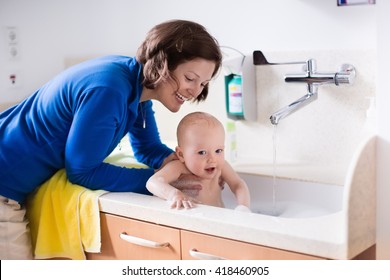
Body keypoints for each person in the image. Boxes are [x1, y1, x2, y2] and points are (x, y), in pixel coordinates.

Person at [0, 19, 222, 259]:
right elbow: (82, 171)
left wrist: (184, 166)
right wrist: (162, 184)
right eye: (190, 78)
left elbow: (147, 148)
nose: (196, 91)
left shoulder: (137, 85)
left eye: (203, 83)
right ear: (162, 65)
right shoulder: (110, 90)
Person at [146, 111, 251, 210]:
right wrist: (174, 194)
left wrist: (243, 208)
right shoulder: (179, 167)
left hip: (219, 220)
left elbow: (238, 185)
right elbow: (152, 182)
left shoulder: (221, 166)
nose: (212, 159)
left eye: (218, 150)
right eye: (202, 152)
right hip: (191, 222)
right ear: (181, 154)